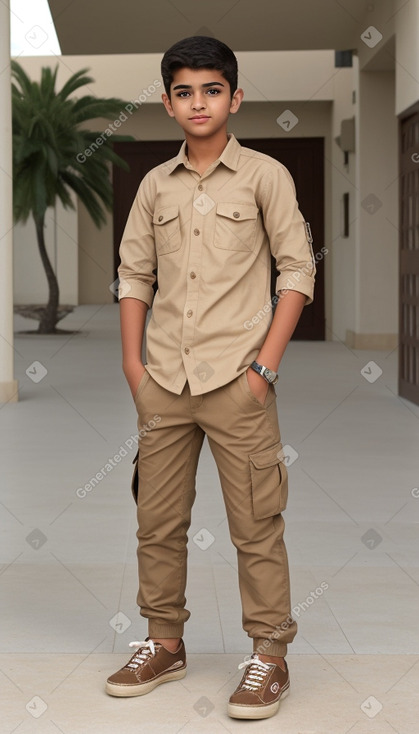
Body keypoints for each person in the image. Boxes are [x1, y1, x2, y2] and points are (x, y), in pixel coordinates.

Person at [105, 35, 316, 720]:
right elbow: (133, 275)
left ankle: (269, 657)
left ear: (234, 95)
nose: (199, 103)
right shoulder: (153, 186)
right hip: (162, 382)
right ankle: (163, 641)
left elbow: (297, 271)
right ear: (167, 103)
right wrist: (134, 367)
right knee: (156, 522)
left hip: (237, 380)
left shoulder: (265, 177)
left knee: (256, 522)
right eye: (185, 92)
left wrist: (264, 368)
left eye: (212, 89)